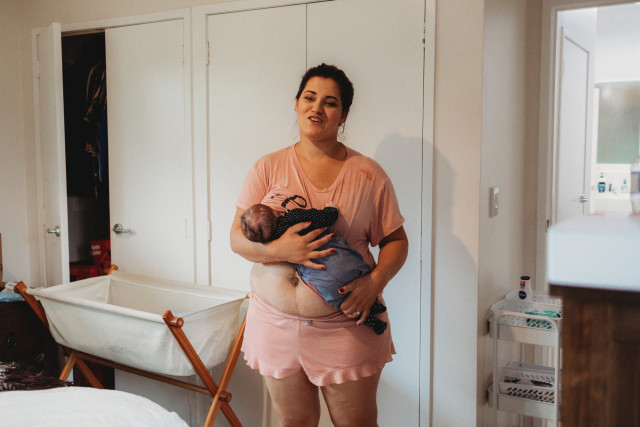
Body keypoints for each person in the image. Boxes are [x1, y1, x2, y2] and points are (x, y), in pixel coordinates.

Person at [230, 63, 408, 426]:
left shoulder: (369, 174)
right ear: (296, 104)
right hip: (275, 326)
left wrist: (375, 282)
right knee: (295, 423)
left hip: (346, 327)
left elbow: (396, 241)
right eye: (309, 98)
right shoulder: (267, 168)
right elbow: (237, 238)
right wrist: (277, 252)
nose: (317, 108)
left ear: (343, 115)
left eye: (330, 102)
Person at [240, 202, 388, 334]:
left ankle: (373, 322)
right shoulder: (293, 217)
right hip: (338, 259)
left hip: (320, 279)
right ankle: (374, 304)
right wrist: (331, 210)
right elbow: (324, 218)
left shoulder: (271, 242)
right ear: (274, 211)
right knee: (358, 278)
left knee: (344, 303)